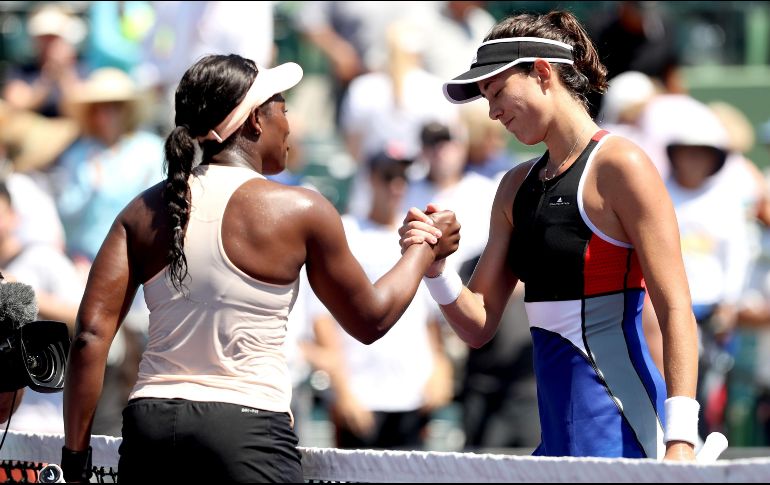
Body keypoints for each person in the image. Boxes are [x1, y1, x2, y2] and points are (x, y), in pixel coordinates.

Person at [61, 54, 459, 483]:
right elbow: (371, 319)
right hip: (247, 431)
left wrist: (75, 458)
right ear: (255, 120)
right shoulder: (301, 209)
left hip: (150, 429)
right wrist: (425, 247)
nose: (290, 125)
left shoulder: (140, 212)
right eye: (283, 109)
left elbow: (89, 336)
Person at [399, 11, 699, 461]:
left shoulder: (622, 166)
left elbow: (675, 308)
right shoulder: (513, 187)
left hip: (629, 437)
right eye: (486, 99)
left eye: (497, 92)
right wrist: (436, 269)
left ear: (542, 73)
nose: (492, 112)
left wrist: (681, 440)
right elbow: (477, 325)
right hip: (557, 447)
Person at [312, 146, 453, 450]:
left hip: (413, 396)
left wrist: (440, 367)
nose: (396, 186)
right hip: (362, 396)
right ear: (370, 179)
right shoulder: (347, 232)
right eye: (388, 176)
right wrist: (343, 389)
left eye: (403, 177)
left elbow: (428, 316)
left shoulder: (419, 237)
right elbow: (322, 318)